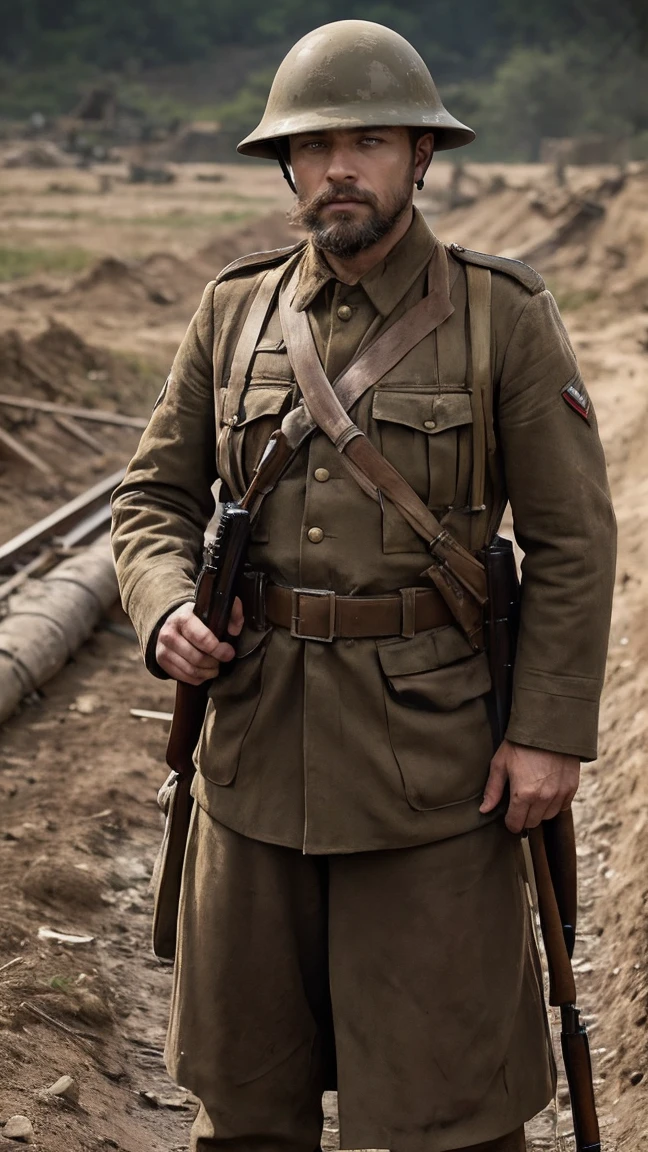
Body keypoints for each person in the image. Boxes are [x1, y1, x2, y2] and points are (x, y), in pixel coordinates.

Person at [111, 19, 616, 1152]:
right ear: (286, 164)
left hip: (436, 782)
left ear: (421, 158)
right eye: (315, 144)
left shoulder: (503, 317)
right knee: (244, 1110)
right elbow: (148, 502)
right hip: (249, 773)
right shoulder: (231, 314)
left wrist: (547, 733)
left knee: (452, 1114)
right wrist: (165, 613)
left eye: (372, 140)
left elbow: (573, 541)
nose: (340, 166)